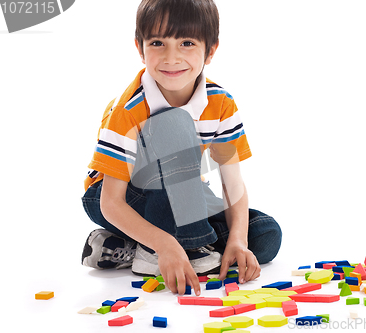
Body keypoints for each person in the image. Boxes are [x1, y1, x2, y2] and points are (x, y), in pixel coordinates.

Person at [81, 0, 282, 295]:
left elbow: (231, 184)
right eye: (158, 43)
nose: (171, 58)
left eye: (186, 43)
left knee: (265, 235)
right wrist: (166, 243)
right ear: (140, 47)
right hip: (117, 198)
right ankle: (180, 247)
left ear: (210, 50)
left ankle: (134, 248)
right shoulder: (130, 107)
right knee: (174, 123)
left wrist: (238, 241)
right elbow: (111, 203)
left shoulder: (221, 104)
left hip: (184, 197)